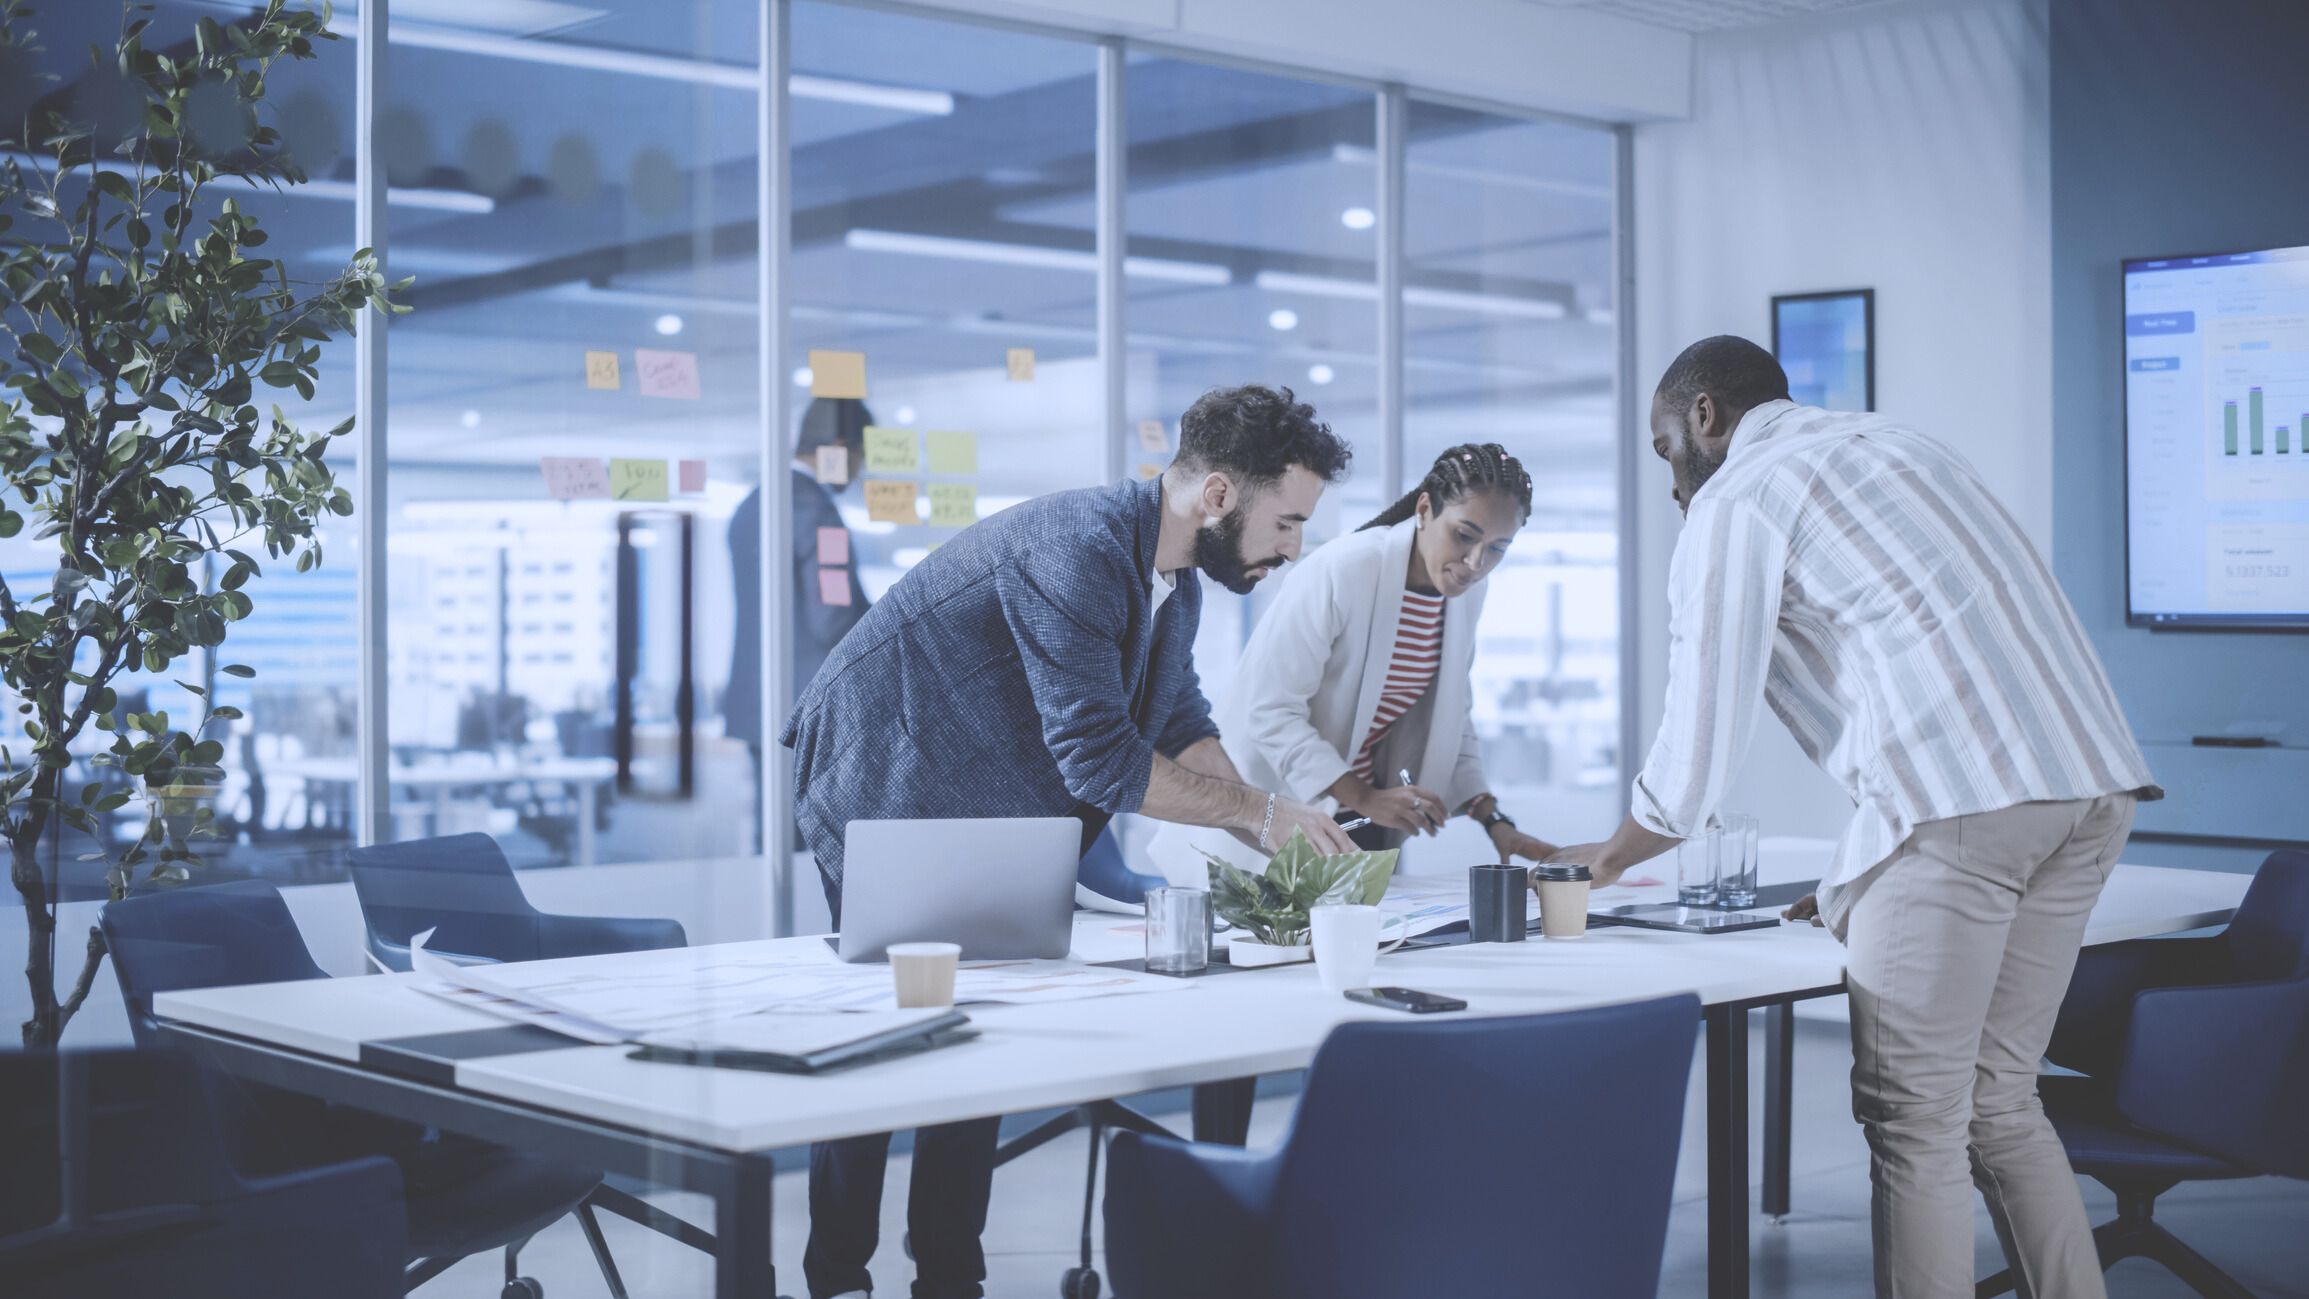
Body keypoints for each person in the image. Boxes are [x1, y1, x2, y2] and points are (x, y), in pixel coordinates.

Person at [1546, 336, 2160, 1299]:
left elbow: (1701, 723)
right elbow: (1921, 671)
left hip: (1965, 808)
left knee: (1913, 1119)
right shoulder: (1899, 446)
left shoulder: (1738, 496)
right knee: (1999, 1102)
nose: (1673, 483)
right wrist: (1867, 878)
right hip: (2089, 787)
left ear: (1705, 414)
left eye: (1667, 448)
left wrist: (1614, 856)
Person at [780, 383, 1357, 1299]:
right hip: (884, 775)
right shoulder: (1082, 546)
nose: (1292, 549)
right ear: (1217, 498)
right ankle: (836, 1276)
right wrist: (1257, 815)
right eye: (1285, 523)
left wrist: (1276, 819)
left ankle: (947, 1276)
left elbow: (1176, 719)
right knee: (888, 1033)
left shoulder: (1172, 581)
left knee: (977, 1026)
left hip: (983, 794)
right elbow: (1098, 759)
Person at [1164, 442, 1559, 872]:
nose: (1475, 563)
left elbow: (1452, 716)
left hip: (1359, 817)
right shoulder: (1346, 568)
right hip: (1277, 809)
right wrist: (1364, 797)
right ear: (1425, 509)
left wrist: (1493, 819)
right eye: (1464, 535)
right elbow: (1271, 710)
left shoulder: (1465, 595)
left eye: (1498, 549)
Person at [727, 398, 872, 848]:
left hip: (760, 705)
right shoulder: (816, 510)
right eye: (861, 458)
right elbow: (833, 616)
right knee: (816, 845)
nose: (860, 472)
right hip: (812, 711)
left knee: (773, 838)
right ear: (840, 448)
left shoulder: (753, 503)